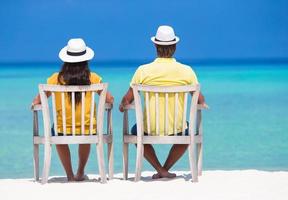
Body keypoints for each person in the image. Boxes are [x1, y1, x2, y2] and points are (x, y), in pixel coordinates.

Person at [119, 25, 208, 179]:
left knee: (135, 131)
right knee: (189, 133)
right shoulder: (186, 71)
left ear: (155, 45)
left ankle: (161, 170)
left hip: (149, 128)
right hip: (177, 128)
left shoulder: (143, 70)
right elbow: (200, 99)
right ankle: (164, 169)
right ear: (174, 46)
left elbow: (128, 99)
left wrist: (122, 105)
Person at [31, 38, 114, 181]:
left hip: (61, 129)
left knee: (56, 132)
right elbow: (110, 99)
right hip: (87, 128)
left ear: (66, 60)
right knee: (87, 129)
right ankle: (80, 172)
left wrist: (34, 105)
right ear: (86, 59)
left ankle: (69, 175)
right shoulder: (93, 78)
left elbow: (37, 101)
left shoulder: (55, 79)